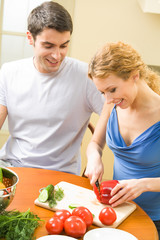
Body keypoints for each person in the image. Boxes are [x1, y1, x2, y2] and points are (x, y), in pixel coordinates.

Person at [0, 1, 104, 175]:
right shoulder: (9, 71)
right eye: (48, 46)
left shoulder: (86, 76)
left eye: (64, 46)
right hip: (12, 167)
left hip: (60, 174)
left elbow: (113, 112)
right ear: (30, 38)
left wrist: (95, 150)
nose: (57, 55)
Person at [85, 41, 160, 236]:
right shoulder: (112, 105)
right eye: (102, 92)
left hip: (154, 219)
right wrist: (94, 159)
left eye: (112, 90)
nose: (108, 100)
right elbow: (95, 144)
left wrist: (143, 184)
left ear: (135, 75)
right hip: (119, 213)